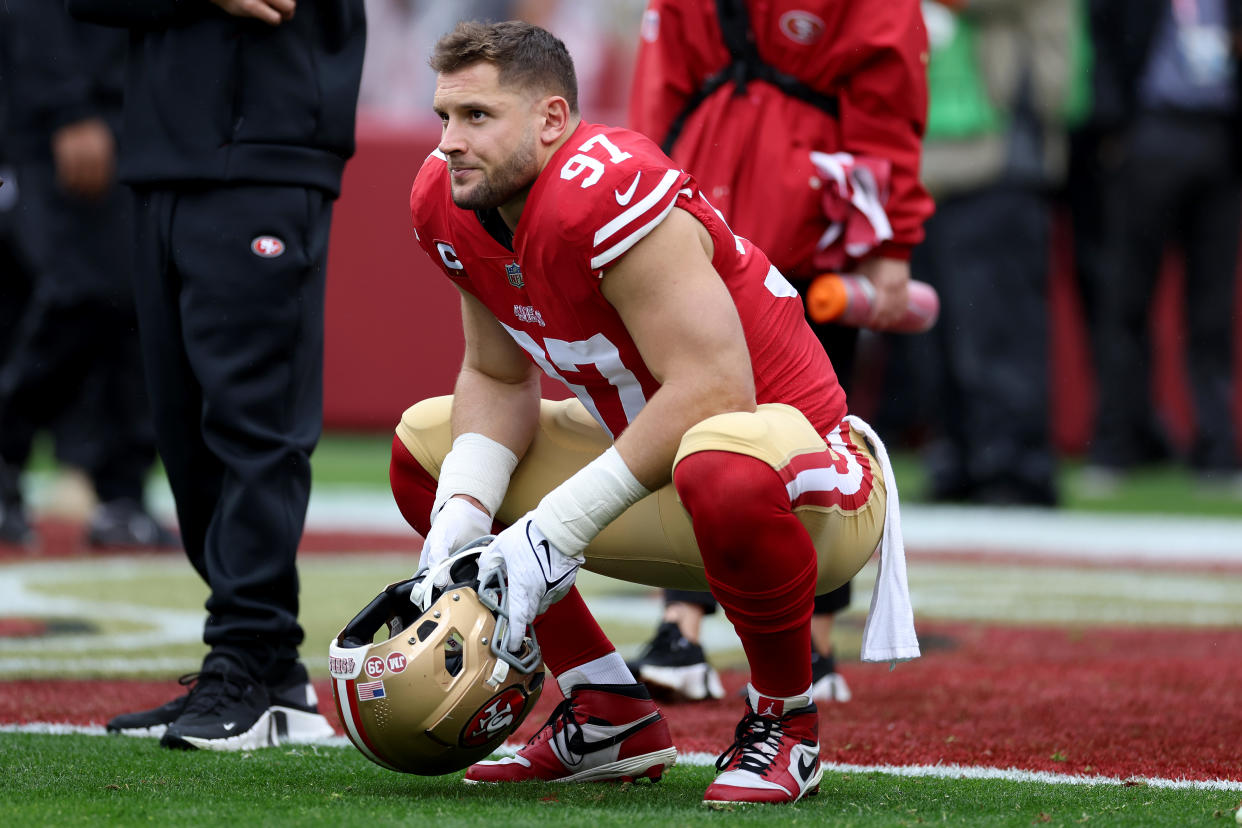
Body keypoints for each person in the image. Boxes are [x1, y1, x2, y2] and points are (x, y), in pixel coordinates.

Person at [389, 20, 918, 805]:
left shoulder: (603, 188)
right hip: (659, 474)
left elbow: (714, 390)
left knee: (721, 461)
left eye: (477, 117)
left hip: (807, 481)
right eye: (444, 118)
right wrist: (462, 513)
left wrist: (554, 529)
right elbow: (496, 377)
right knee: (426, 451)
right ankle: (608, 712)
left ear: (552, 120)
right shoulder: (451, 200)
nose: (451, 143)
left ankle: (787, 723)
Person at [66, 0, 366, 750]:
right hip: (164, 156)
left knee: (251, 422)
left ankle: (247, 652)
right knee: (184, 430)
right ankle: (266, 673)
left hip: (266, 147)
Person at [625, 0, 932, 704]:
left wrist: (891, 243)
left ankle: (811, 637)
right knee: (691, 419)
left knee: (812, 429)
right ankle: (684, 624)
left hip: (807, 224)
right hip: (704, 216)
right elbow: (659, 92)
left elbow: (887, 99)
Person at [0, 0, 176, 550]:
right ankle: (6, 449)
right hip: (66, 119)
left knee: (142, 298)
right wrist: (67, 108)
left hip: (149, 113)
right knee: (83, 291)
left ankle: (121, 493)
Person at [903, 0, 1084, 507]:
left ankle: (1014, 464)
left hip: (997, 157)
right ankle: (957, 457)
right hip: (923, 163)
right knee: (936, 332)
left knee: (998, 328)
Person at [1084, 0, 1241, 491]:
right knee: (1126, 302)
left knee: (1213, 311)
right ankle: (1118, 444)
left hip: (1220, 139)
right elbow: (1103, 44)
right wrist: (1114, 132)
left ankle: (1217, 449)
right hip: (1150, 131)